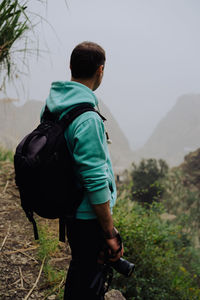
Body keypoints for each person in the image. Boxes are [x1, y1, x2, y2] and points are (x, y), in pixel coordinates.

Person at [43, 41, 123, 299]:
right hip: (87, 214)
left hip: (68, 204)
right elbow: (96, 182)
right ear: (100, 71)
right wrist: (110, 232)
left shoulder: (53, 105)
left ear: (71, 67)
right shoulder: (87, 118)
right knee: (88, 278)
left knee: (80, 270)